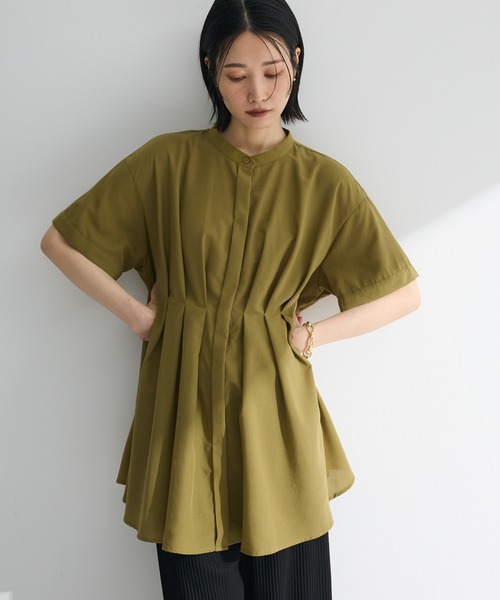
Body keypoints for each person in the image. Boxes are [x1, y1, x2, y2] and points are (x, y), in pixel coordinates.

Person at [41, 0, 420, 597]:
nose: (258, 93)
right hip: (183, 417)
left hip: (277, 418)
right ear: (210, 72)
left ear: (296, 63)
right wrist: (139, 317)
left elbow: (402, 293)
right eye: (236, 75)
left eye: (272, 72)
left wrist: (312, 334)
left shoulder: (324, 183)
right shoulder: (167, 162)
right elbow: (61, 243)